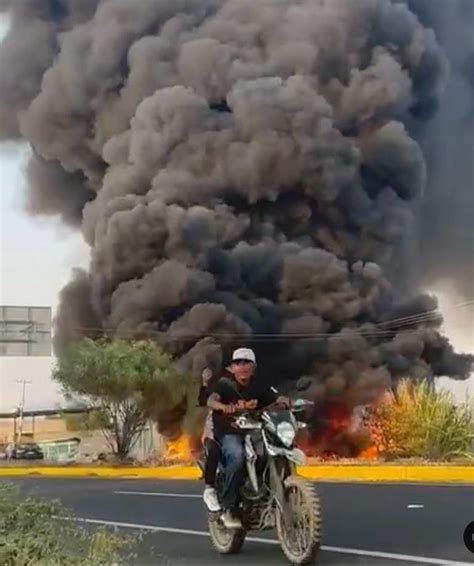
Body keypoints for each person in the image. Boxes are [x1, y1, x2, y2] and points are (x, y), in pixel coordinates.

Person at [207, 347, 289, 529]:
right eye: (238, 363)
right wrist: (222, 406)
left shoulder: (259, 385)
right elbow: (211, 400)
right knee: (237, 457)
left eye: (247, 363)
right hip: (229, 431)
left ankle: (271, 495)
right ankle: (228, 509)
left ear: (254, 366)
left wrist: (284, 400)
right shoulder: (224, 385)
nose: (242, 367)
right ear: (232, 368)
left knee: (273, 452)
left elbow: (274, 397)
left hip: (254, 430)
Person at [198, 367, 221, 512]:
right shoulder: (219, 391)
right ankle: (210, 489)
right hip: (214, 432)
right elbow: (203, 399)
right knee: (214, 449)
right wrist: (205, 382)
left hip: (243, 429)